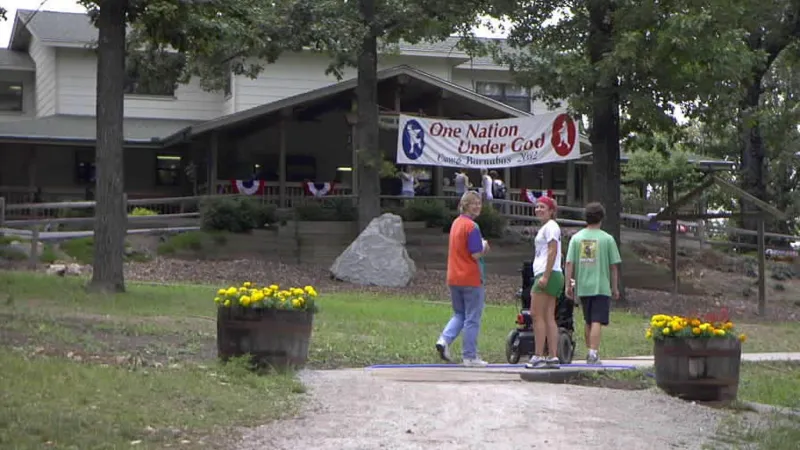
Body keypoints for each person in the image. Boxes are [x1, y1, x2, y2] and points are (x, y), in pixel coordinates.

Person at [436, 191, 490, 368]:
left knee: (460, 314)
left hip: (454, 276)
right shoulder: (472, 226)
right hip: (471, 277)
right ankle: (470, 356)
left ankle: (444, 340)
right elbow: (475, 254)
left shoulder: (456, 223)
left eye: (479, 203)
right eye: (474, 203)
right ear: (465, 205)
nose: (478, 206)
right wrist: (485, 247)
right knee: (472, 318)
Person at [565, 202, 621, 365]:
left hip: (583, 285)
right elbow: (613, 266)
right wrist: (614, 287)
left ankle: (590, 350)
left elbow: (569, 263)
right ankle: (593, 353)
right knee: (597, 320)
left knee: (588, 320)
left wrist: (568, 284)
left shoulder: (577, 238)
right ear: (602, 218)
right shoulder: (607, 239)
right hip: (601, 286)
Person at [525, 196, 564, 369]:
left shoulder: (551, 227)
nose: (539, 210)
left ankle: (538, 355)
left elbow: (552, 250)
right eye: (537, 207)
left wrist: (546, 276)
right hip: (551, 273)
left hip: (547, 274)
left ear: (551, 211)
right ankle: (553, 356)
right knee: (548, 316)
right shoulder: (547, 227)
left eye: (543, 207)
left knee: (536, 314)